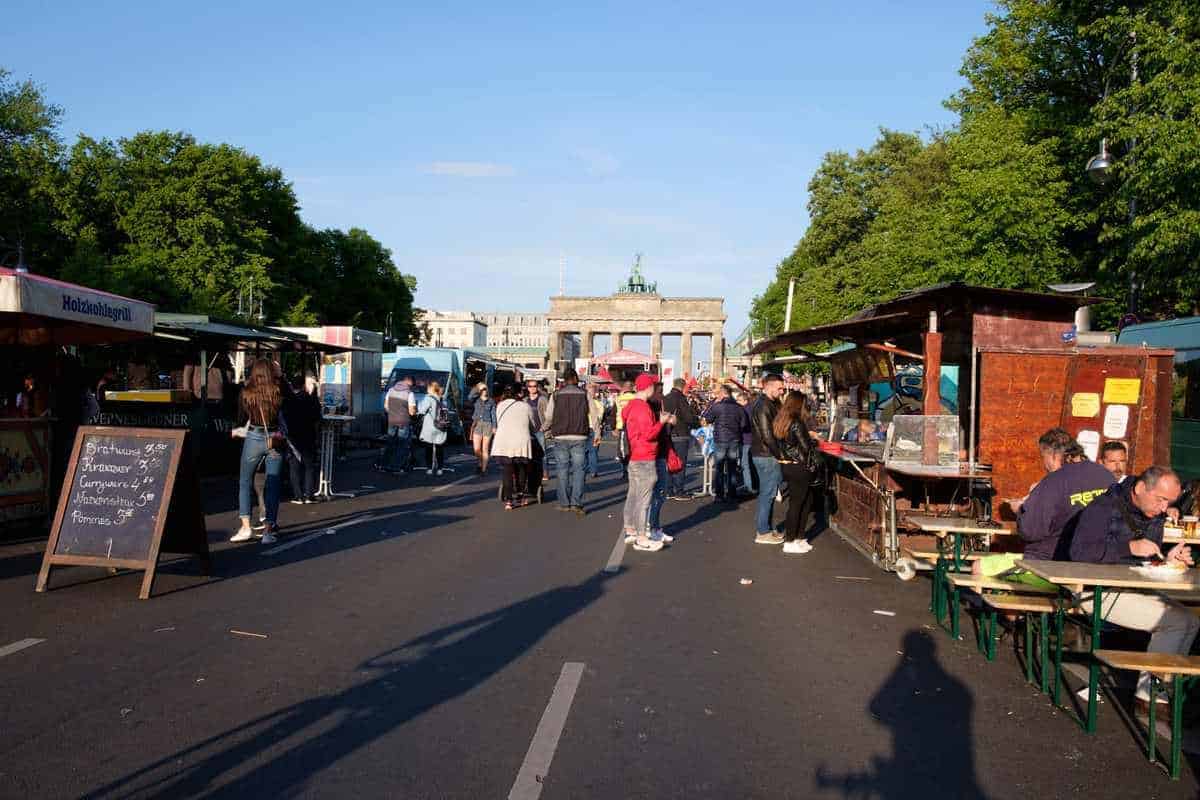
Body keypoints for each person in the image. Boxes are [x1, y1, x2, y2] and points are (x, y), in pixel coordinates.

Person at [1069, 466, 1200, 709]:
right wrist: (1129, 548)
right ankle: (1148, 697)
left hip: (1131, 589)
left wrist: (1167, 560)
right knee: (1176, 622)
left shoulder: (1156, 514)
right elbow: (1079, 553)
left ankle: (1158, 689)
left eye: (1169, 502)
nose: (1164, 509)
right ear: (1140, 488)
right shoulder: (1102, 508)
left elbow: (1146, 559)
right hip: (1092, 591)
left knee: (1192, 621)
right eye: (1161, 500)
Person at [1015, 428, 1116, 560]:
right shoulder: (1106, 476)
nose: (1045, 465)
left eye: (1043, 457)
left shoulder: (1053, 481)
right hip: (1096, 559)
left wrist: (1020, 510)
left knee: (980, 567)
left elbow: (1031, 531)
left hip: (1050, 561)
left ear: (1054, 455)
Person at [231, 358, 284, 544]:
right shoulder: (279, 391)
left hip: (253, 436)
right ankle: (268, 530)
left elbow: (240, 417)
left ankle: (246, 527)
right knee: (273, 484)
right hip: (274, 439)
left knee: (245, 481)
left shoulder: (246, 393)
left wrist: (237, 429)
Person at [622, 373, 673, 552]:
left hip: (635, 455)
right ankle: (642, 537)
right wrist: (661, 422)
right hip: (645, 456)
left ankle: (632, 530)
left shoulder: (630, 405)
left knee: (635, 496)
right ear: (648, 387)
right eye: (653, 385)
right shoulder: (643, 408)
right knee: (644, 500)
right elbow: (649, 434)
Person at [773, 392, 819, 554]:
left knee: (803, 501)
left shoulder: (781, 420)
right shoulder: (797, 422)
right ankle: (790, 540)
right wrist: (813, 439)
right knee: (798, 503)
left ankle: (798, 538)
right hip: (800, 466)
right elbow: (805, 447)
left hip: (788, 465)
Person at [543, 368, 590, 515]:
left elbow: (549, 416)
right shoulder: (584, 394)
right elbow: (592, 414)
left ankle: (564, 503)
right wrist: (597, 432)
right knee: (579, 470)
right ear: (576, 379)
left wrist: (544, 428)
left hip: (560, 436)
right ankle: (576, 503)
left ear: (563, 380)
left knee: (562, 470)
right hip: (579, 435)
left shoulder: (556, 395)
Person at [750, 374, 787, 545]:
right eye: (779, 388)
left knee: (769, 493)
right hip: (766, 455)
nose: (782, 391)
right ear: (769, 386)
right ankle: (763, 531)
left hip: (765, 454)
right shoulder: (763, 405)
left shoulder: (766, 403)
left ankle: (767, 529)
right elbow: (767, 435)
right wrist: (780, 455)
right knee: (768, 493)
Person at [1007, 427, 1075, 514]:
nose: (1044, 462)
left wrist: (1019, 509)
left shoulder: (1047, 486)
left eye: (1043, 456)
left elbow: (1037, 518)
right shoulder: (1079, 476)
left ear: (1052, 454)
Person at [491, 386, 535, 510]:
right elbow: (533, 424)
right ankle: (520, 496)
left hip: (504, 441)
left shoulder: (500, 406)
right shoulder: (525, 406)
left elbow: (499, 422)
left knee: (507, 471)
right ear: (518, 395)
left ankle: (509, 500)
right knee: (521, 469)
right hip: (520, 441)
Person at [704, 385, 748, 503]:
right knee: (732, 468)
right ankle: (732, 493)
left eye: (719, 393)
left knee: (719, 468)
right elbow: (744, 424)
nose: (717, 395)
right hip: (734, 439)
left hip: (720, 440)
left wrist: (714, 403)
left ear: (723, 394)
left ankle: (719, 495)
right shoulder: (739, 408)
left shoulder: (717, 406)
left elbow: (707, 418)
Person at [282, 372, 322, 503]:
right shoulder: (312, 399)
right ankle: (309, 494)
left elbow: (284, 419)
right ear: (304, 385)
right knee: (309, 466)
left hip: (293, 437)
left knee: (294, 466)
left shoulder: (289, 401)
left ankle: (298, 495)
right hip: (309, 435)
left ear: (292, 386)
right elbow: (317, 418)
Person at [663, 378, 699, 499]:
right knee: (680, 463)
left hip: (668, 433)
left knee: (670, 462)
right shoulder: (681, 399)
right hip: (681, 433)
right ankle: (679, 490)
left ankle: (668, 490)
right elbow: (688, 417)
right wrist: (696, 421)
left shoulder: (665, 398)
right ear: (683, 387)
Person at [379, 376, 416, 473]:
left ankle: (384, 465)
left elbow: (386, 407)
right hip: (403, 421)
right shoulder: (409, 393)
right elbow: (412, 412)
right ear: (409, 382)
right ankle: (396, 467)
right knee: (402, 444)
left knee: (390, 442)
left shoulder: (391, 390)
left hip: (391, 420)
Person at [418, 381, 449, 476]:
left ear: (431, 389)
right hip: (441, 426)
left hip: (430, 426)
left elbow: (422, 410)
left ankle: (429, 468)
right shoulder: (443, 399)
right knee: (439, 447)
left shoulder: (428, 398)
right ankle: (440, 468)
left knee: (429, 448)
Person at [525, 378, 549, 494]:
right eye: (530, 386)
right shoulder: (525, 400)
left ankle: (544, 472)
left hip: (539, 430)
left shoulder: (542, 399)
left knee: (542, 452)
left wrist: (544, 427)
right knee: (528, 453)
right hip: (527, 431)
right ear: (527, 388)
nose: (532, 388)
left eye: (534, 386)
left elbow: (548, 415)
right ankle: (529, 472)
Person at [469, 383, 497, 474]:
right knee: (476, 449)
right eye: (482, 389)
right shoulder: (476, 400)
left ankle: (483, 469)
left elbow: (493, 415)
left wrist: (494, 426)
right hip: (477, 424)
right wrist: (477, 388)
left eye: (485, 388)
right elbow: (469, 396)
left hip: (488, 424)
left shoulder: (491, 401)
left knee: (485, 448)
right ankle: (480, 462)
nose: (484, 390)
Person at [735, 391, 756, 496]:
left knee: (745, 464)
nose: (737, 402)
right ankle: (753, 485)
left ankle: (749, 486)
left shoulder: (744, 410)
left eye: (738, 400)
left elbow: (743, 426)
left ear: (744, 400)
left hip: (746, 440)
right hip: (751, 440)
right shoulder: (751, 408)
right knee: (750, 464)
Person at [584, 381, 605, 479]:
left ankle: (582, 469)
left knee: (584, 451)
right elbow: (600, 417)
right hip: (595, 428)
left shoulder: (583, 402)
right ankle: (593, 471)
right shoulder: (599, 403)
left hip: (584, 428)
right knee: (594, 451)